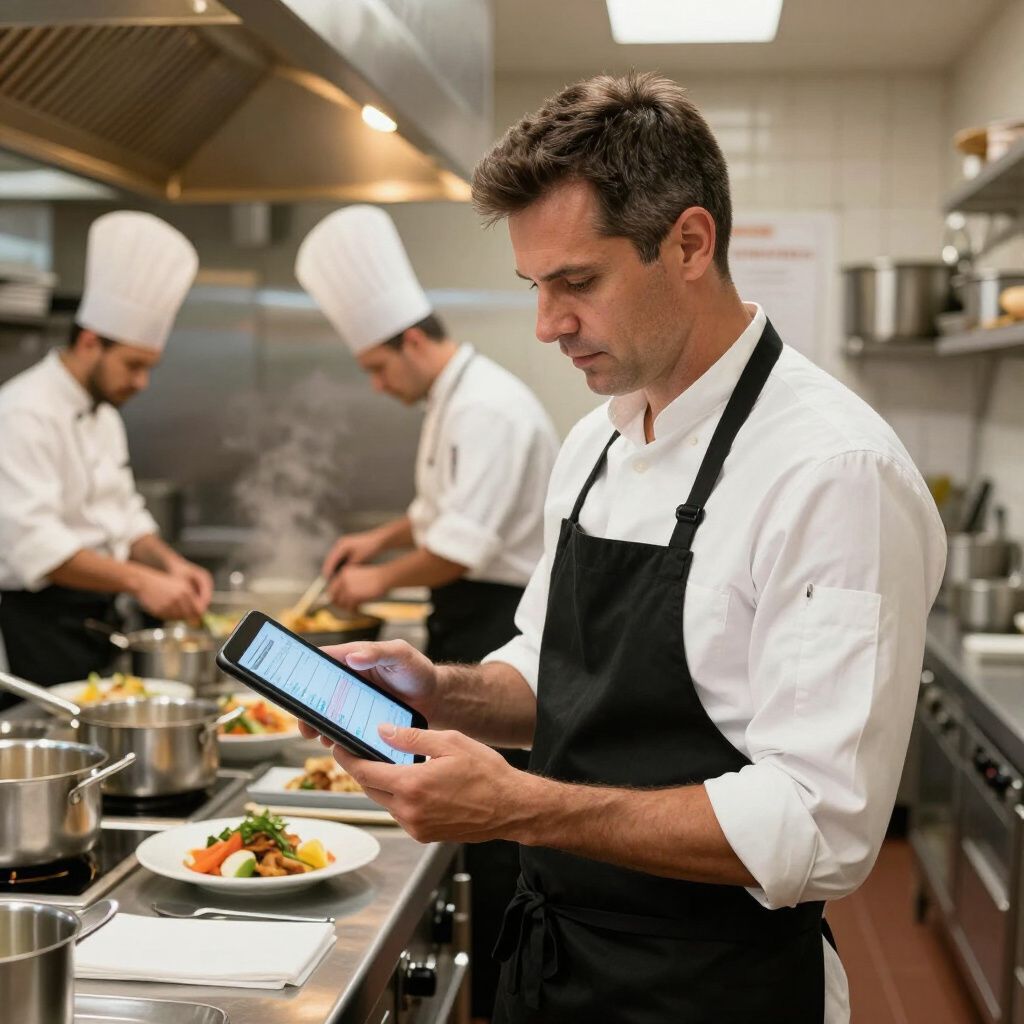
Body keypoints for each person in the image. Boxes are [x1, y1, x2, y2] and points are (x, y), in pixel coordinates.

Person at [299, 72, 948, 1024]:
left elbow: (820, 829)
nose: (546, 323)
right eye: (535, 285)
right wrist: (445, 691)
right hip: (558, 964)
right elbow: (553, 670)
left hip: (712, 989)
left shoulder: (833, 471)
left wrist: (520, 806)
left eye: (578, 282)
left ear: (690, 242)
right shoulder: (598, 440)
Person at [295, 203, 559, 1015]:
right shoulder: (452, 396)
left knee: (497, 811)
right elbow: (434, 509)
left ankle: (499, 977)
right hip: (466, 618)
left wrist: (375, 583)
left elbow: (462, 547)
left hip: (498, 621)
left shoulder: (484, 404)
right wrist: (374, 540)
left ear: (413, 341)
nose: (378, 385)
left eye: (377, 367)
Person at [0, 210, 211, 690]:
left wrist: (167, 563)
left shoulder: (104, 412)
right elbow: (37, 548)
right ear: (91, 342)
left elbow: (124, 516)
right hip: (37, 625)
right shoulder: (21, 412)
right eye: (133, 365)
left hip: (98, 617)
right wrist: (140, 581)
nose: (141, 382)